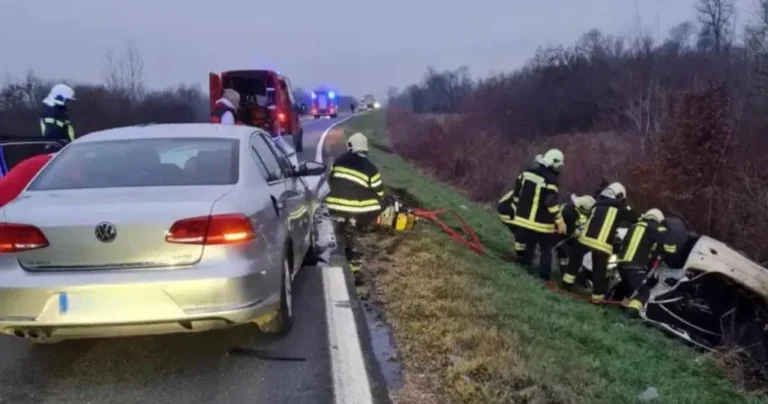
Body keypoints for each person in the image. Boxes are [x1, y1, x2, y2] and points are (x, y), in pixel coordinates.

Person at [561, 182, 639, 303]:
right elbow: (635, 218)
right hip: (602, 245)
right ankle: (597, 299)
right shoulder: (620, 208)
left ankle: (566, 284)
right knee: (599, 271)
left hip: (585, 239)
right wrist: (627, 206)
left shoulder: (596, 204)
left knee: (574, 261)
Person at [326, 132, 385, 284]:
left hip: (333, 206)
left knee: (340, 234)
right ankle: (354, 272)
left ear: (351, 146)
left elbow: (330, 180)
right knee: (354, 237)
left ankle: (338, 252)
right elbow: (380, 192)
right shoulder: (371, 168)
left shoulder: (338, 161)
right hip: (355, 211)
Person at [510, 149, 566, 280]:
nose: (559, 169)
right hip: (540, 223)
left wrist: (517, 205)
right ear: (553, 163)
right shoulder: (551, 181)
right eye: (558, 166)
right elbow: (550, 202)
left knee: (530, 242)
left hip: (523, 220)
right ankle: (544, 276)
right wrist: (559, 220)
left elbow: (517, 189)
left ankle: (525, 264)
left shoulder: (527, 173)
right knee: (546, 248)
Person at [617, 208, 677, 315]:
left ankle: (618, 304)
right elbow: (670, 248)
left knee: (628, 287)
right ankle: (631, 313)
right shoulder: (658, 228)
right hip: (636, 266)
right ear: (659, 219)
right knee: (644, 292)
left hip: (621, 264)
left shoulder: (634, 226)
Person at [555, 194, 596, 270]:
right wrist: (578, 233)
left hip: (566, 235)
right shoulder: (570, 212)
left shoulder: (573, 208)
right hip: (561, 235)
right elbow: (569, 230)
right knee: (564, 253)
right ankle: (565, 269)